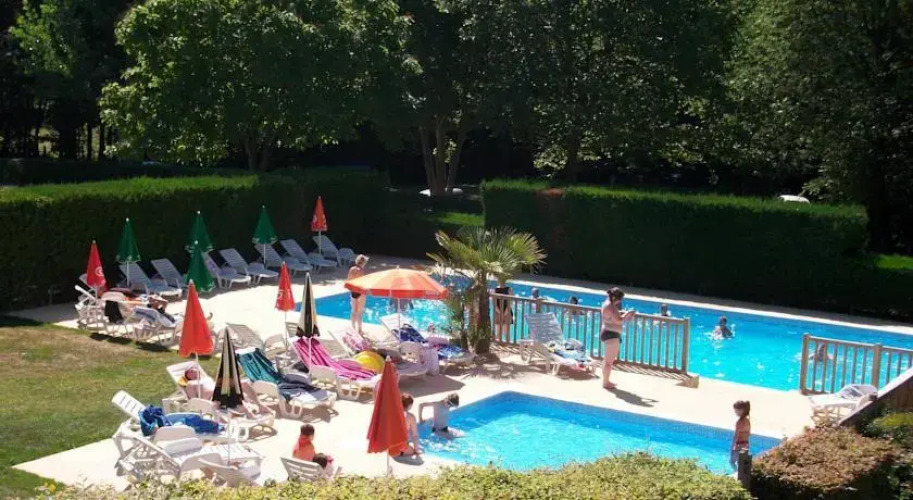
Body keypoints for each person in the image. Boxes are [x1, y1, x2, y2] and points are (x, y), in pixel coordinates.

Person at [601, 287, 635, 390]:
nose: (620, 301)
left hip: (609, 333)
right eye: (620, 299)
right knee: (609, 361)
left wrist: (623, 314)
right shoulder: (610, 306)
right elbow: (618, 320)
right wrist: (627, 313)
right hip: (611, 335)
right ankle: (605, 382)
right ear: (616, 298)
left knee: (607, 360)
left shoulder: (608, 304)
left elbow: (614, 317)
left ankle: (606, 380)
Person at [348, 255, 369, 333]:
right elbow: (361, 283)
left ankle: (353, 328)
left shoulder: (352, 269)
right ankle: (360, 329)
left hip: (353, 291)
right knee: (360, 312)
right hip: (360, 292)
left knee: (353, 311)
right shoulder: (361, 271)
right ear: (363, 262)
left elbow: (349, 281)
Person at [730, 400, 751, 470]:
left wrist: (732, 447)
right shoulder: (747, 421)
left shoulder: (739, 422)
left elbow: (736, 436)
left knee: (732, 462)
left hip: (739, 446)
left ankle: (736, 473)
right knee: (742, 466)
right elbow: (749, 434)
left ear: (741, 410)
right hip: (746, 445)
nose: (735, 412)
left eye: (736, 410)